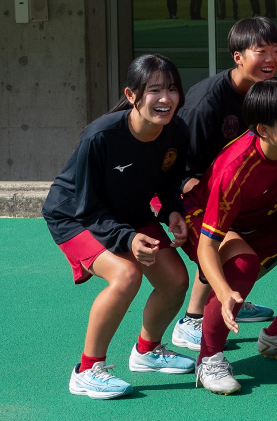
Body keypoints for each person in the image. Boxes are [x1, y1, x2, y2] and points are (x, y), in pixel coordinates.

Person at [45, 55, 196, 400]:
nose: (166, 98)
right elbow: (85, 205)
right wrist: (128, 238)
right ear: (131, 95)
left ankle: (147, 351)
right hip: (75, 215)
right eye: (155, 90)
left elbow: (169, 181)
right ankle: (86, 371)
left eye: (172, 89)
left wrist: (172, 211)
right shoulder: (101, 136)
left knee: (175, 281)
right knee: (126, 275)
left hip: (129, 212)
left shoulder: (177, 130)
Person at [185, 79, 277, 394]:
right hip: (203, 220)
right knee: (242, 266)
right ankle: (209, 359)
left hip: (262, 217)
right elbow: (207, 246)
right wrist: (223, 291)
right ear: (263, 130)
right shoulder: (235, 169)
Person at [168, 16, 277, 352]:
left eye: (276, 50)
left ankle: (234, 294)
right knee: (225, 245)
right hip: (190, 192)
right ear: (238, 57)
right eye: (261, 51)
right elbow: (179, 172)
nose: (271, 59)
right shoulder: (206, 103)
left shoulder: (266, 91)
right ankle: (192, 320)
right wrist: (224, 205)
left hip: (235, 190)